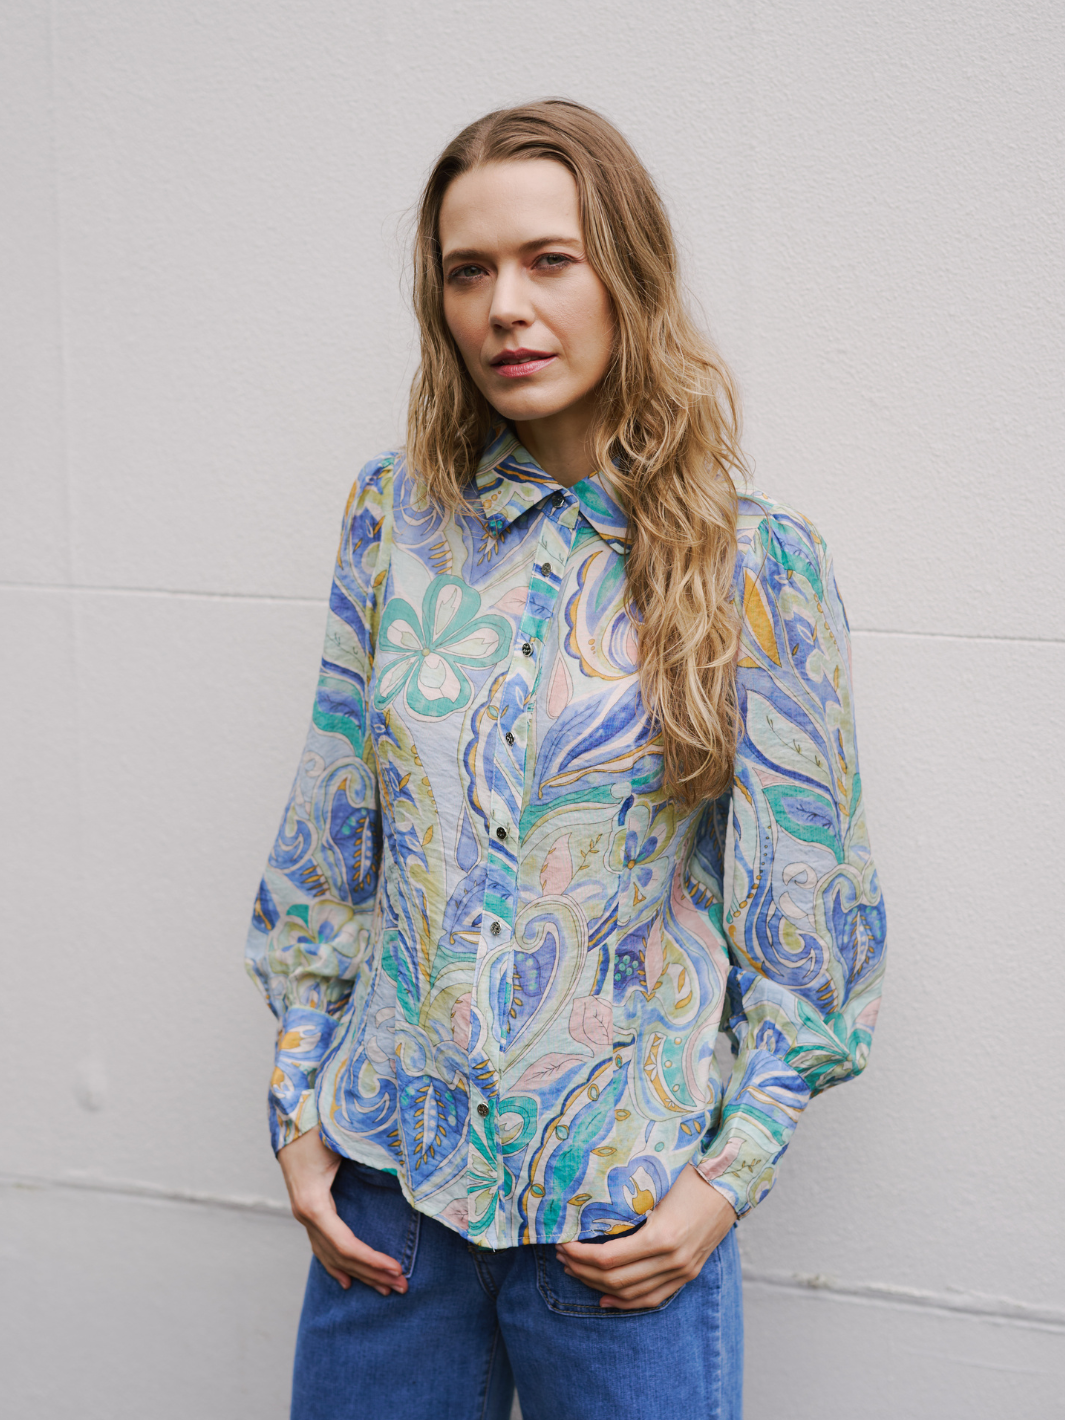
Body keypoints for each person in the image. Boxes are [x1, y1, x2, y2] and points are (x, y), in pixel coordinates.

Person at [246, 99, 886, 1420]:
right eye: (467, 272)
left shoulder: (756, 564)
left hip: (621, 1224)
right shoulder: (391, 522)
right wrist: (297, 1113)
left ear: (627, 277)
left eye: (550, 261)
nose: (505, 309)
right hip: (390, 1204)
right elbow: (331, 837)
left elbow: (812, 922)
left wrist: (722, 1187)